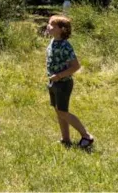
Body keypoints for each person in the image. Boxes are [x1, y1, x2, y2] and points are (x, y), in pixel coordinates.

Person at [45, 14, 94, 149]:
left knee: (63, 112)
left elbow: (75, 66)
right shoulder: (53, 41)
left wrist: (59, 76)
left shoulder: (66, 46)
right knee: (59, 110)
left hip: (63, 83)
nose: (48, 26)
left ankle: (86, 136)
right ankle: (65, 139)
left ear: (61, 29)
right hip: (54, 82)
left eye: (51, 25)